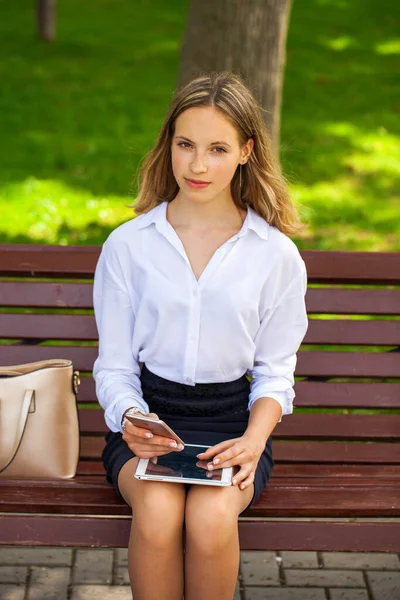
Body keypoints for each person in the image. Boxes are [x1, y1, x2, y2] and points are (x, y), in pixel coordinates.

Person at [92, 71, 308, 600]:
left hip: (235, 426)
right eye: (185, 144)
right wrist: (130, 418)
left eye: (217, 148)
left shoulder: (274, 254)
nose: (196, 165)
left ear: (245, 152)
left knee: (211, 520)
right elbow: (115, 367)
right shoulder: (129, 246)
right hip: (151, 419)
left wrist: (255, 442)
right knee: (159, 510)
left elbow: (275, 372)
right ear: (168, 145)